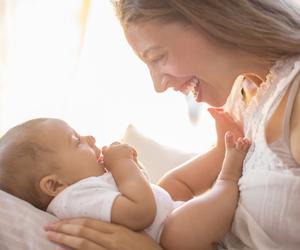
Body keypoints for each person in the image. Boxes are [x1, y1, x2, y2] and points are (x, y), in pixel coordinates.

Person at [44, 1, 300, 250]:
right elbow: (175, 193)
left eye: (157, 57)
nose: (159, 85)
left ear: (212, 18)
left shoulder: (293, 99)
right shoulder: (244, 103)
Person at [0, 116, 250, 250]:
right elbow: (140, 212)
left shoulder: (83, 190)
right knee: (179, 232)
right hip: (172, 239)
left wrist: (134, 170)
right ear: (54, 185)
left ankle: (219, 151)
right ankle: (228, 178)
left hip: (169, 215)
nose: (90, 137)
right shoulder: (74, 198)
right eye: (76, 141)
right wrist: (122, 166)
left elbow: (143, 194)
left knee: (171, 183)